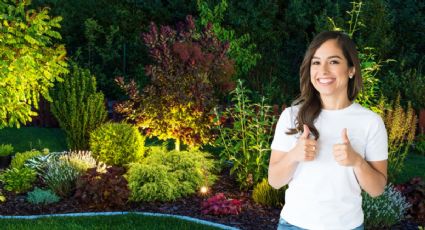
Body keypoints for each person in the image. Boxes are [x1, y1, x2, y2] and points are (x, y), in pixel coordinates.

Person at [268, 31, 388, 230]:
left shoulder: (371, 122)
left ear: (351, 70)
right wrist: (294, 155)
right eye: (316, 62)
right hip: (294, 224)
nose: (322, 70)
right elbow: (274, 181)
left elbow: (377, 189)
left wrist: (357, 161)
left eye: (333, 62)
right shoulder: (291, 116)